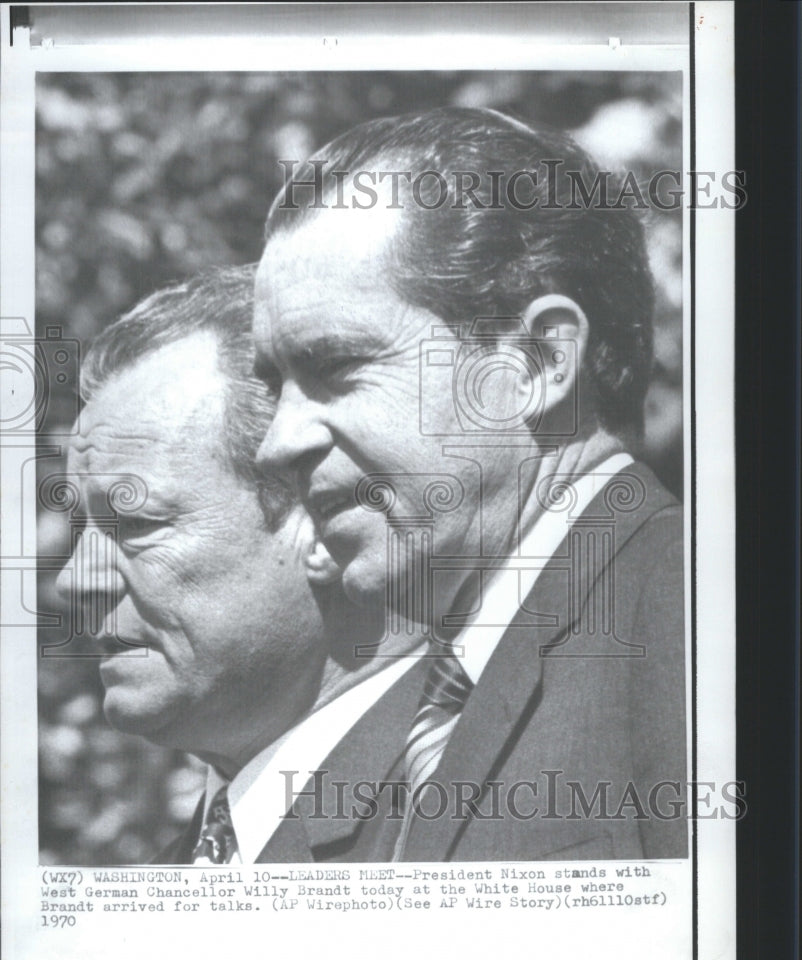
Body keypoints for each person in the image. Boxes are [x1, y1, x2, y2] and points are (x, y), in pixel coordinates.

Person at [252, 107, 688, 861]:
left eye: (336, 368)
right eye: (274, 386)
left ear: (537, 365)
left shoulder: (704, 618)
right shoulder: (408, 719)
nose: (276, 443)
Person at [55, 266, 422, 864]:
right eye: (83, 530)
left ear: (326, 522)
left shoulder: (484, 822)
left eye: (138, 525)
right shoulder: (173, 876)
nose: (75, 581)